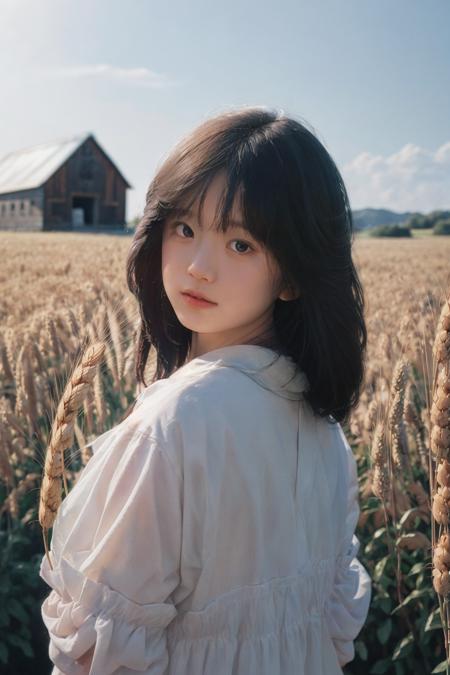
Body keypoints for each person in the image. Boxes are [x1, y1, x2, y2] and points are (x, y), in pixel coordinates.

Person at [40, 106, 372, 674]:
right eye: (186, 229)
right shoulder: (325, 429)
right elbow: (333, 636)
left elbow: (98, 658)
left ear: (293, 274)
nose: (198, 267)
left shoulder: (169, 428)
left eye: (240, 244)